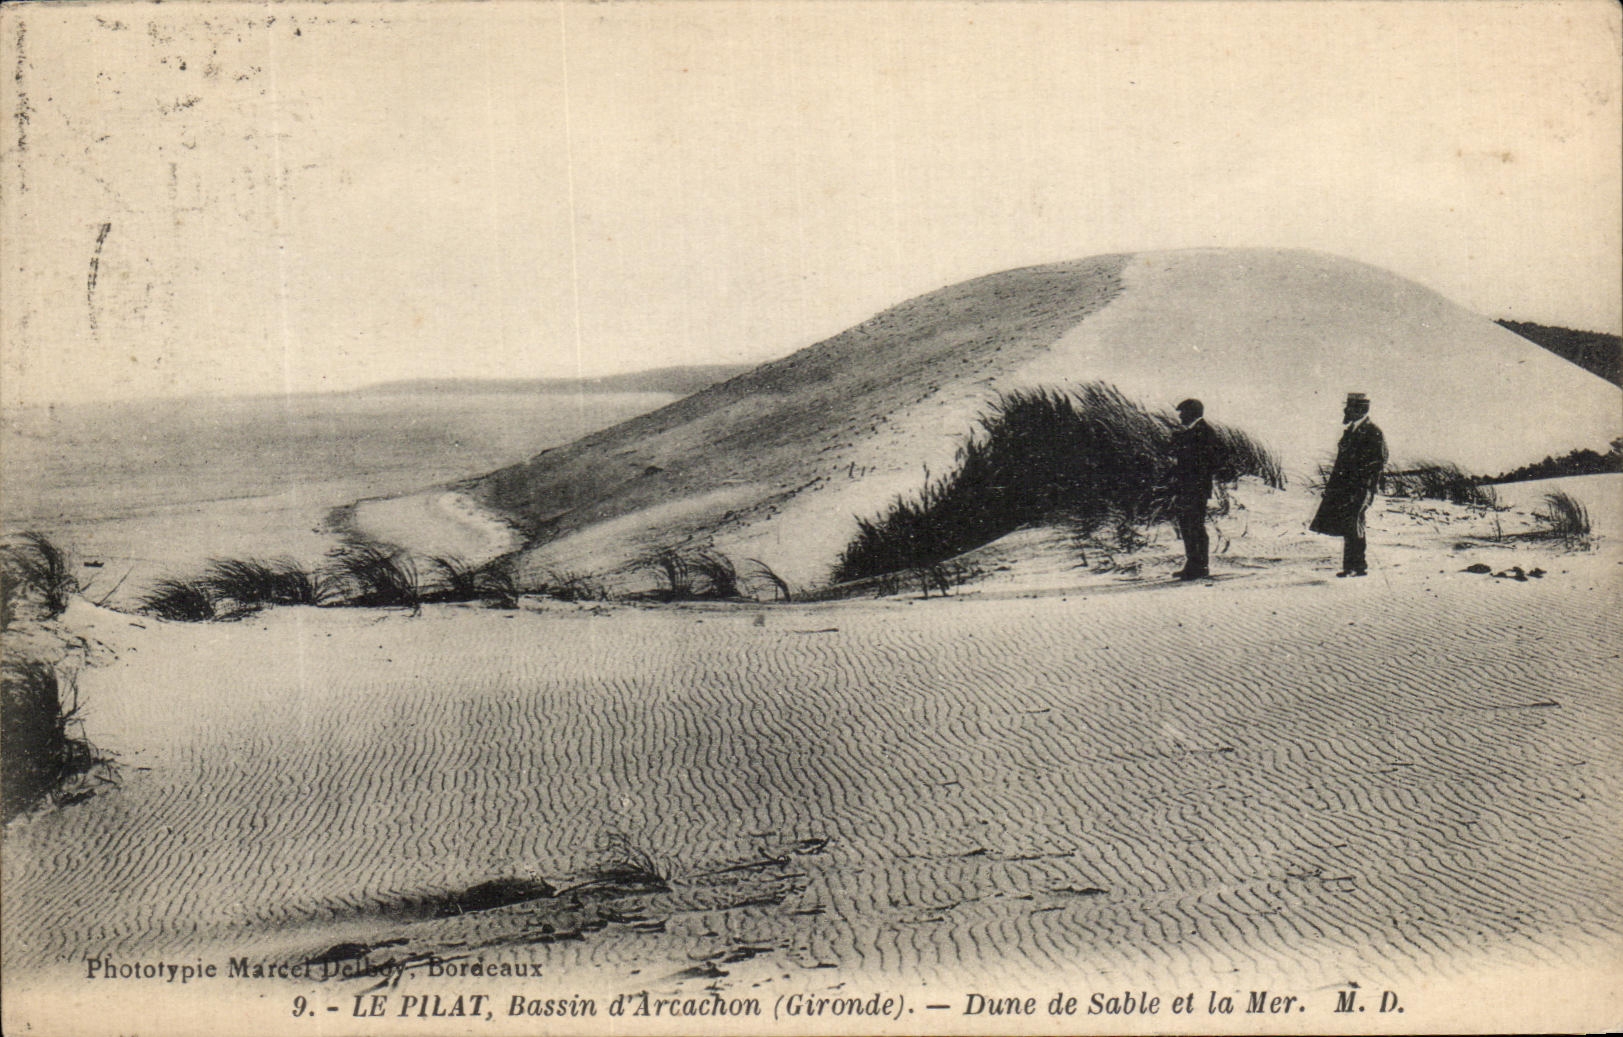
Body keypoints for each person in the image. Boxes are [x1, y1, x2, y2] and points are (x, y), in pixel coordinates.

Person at [1310, 392, 1388, 576]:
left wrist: (1363, 485)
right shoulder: (1352, 431)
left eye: (1350, 407)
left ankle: (1358, 567)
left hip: (1360, 488)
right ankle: (1351, 567)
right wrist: (1332, 487)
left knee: (1354, 523)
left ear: (1360, 409)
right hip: (1346, 488)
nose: (1346, 411)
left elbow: (1378, 461)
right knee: (1349, 524)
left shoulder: (1373, 432)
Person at [1169, 397, 1220, 580]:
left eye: (1182, 412)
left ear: (1192, 413)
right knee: (1189, 526)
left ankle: (1199, 567)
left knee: (1194, 526)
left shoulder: (1204, 432)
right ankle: (1193, 565)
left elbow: (1210, 462)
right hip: (1189, 487)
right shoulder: (1194, 432)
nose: (1180, 416)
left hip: (1195, 488)